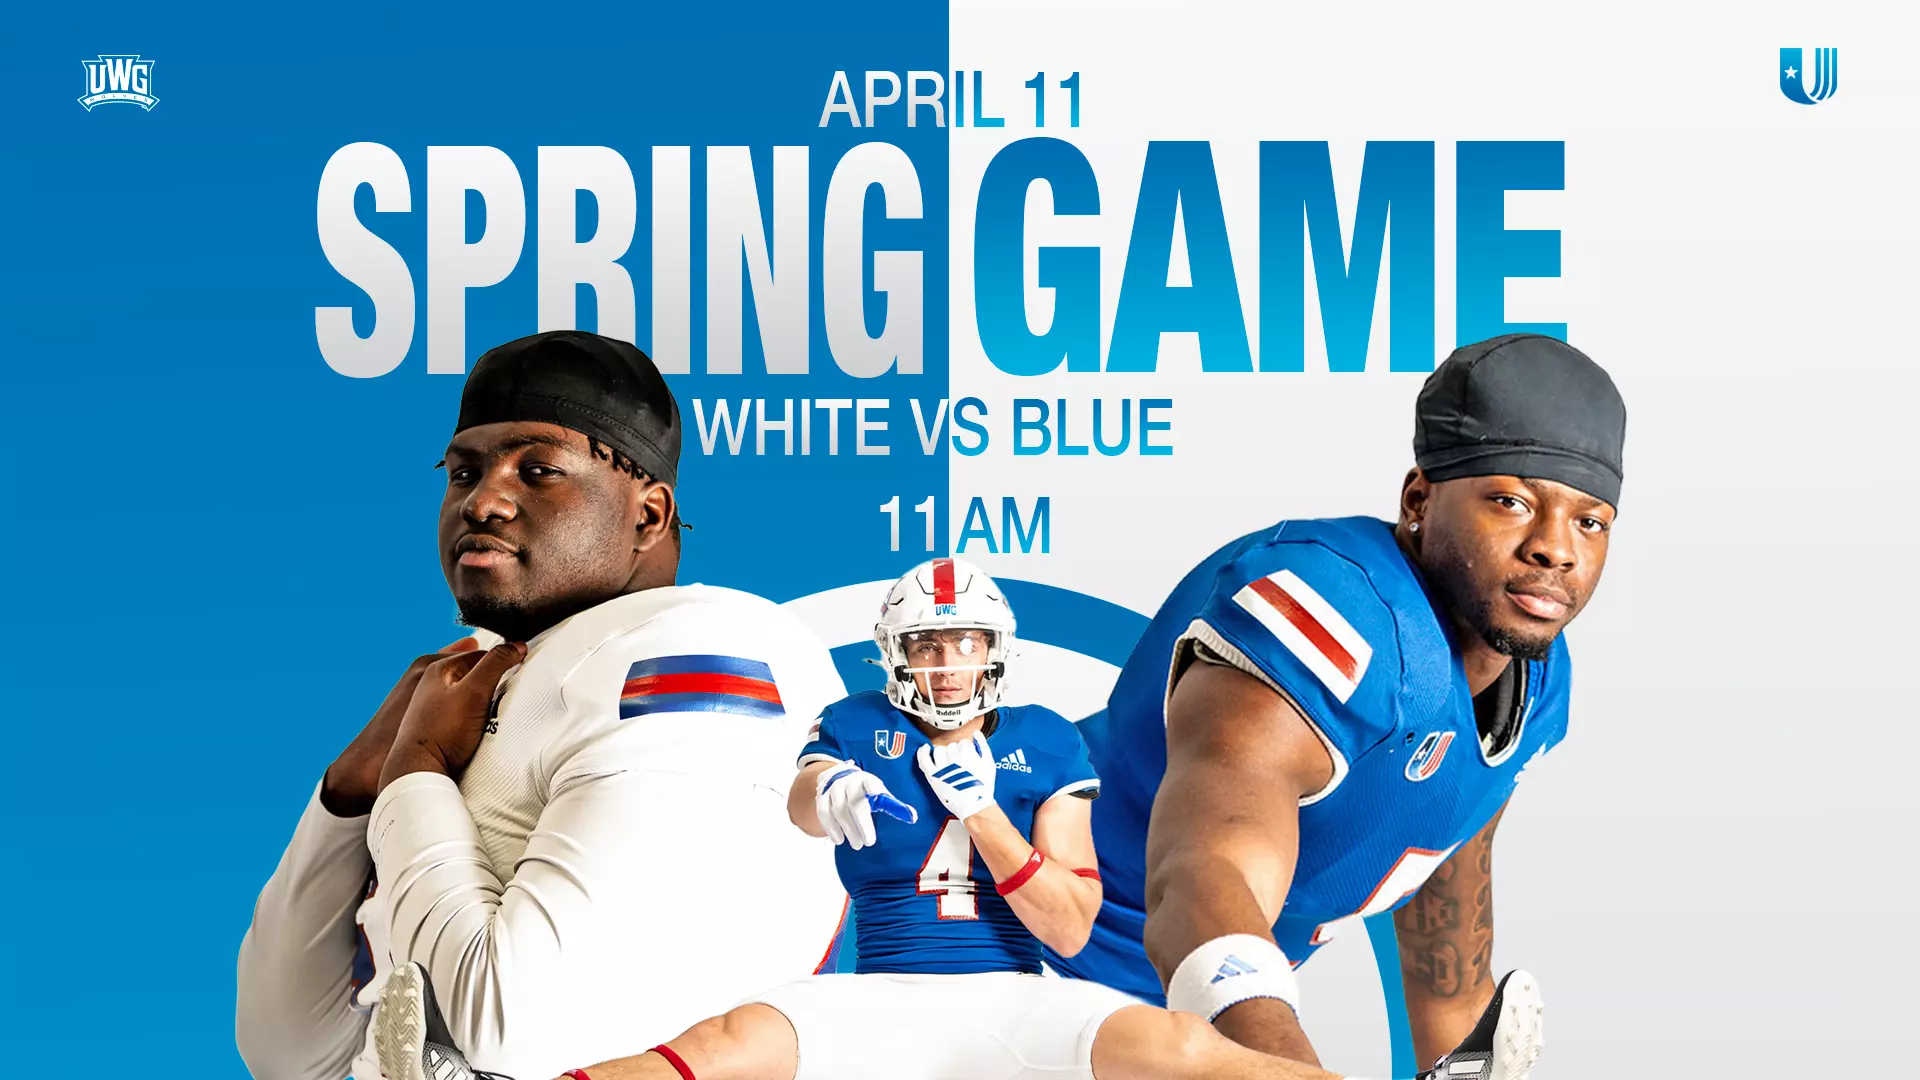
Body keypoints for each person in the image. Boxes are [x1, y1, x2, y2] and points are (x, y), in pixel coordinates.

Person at [536, 559, 1540, 1080]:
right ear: (894, 655)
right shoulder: (852, 725)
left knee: (1194, 1056)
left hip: (1018, 993)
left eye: (961, 647)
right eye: (926, 649)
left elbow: (1066, 922)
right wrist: (822, 793)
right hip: (879, 994)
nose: (943, 668)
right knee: (713, 1049)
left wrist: (986, 818)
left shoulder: (1043, 743)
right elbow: (804, 801)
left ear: (992, 653)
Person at [235, 330, 848, 1080]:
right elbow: (288, 1053)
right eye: (464, 471)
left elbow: (519, 1029)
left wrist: (415, 773)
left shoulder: (704, 643)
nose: (483, 501)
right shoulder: (471, 680)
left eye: (538, 470)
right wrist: (346, 799)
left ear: (648, 516)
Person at [1047, 334, 1625, 1076]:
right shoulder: (1338, 612)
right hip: (1005, 959)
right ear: (1419, 499)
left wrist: (1454, 1056)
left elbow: (1441, 889)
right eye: (1510, 502)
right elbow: (1201, 882)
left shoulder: (1532, 680)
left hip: (1169, 1026)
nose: (1555, 548)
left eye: (1591, 521)